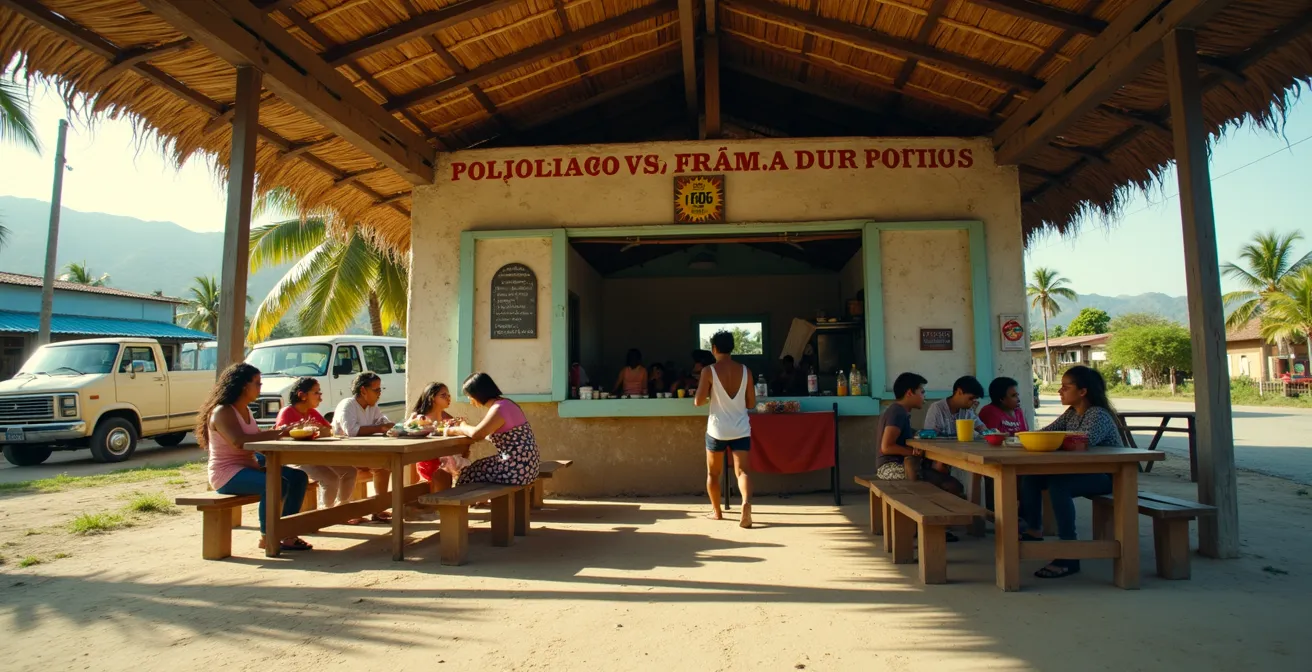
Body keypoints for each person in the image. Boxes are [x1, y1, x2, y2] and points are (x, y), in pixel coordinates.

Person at [1020, 365, 1123, 579]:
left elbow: (1080, 443)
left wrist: (1045, 441)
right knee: (1031, 477)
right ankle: (1034, 529)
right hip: (1082, 472)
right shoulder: (1071, 414)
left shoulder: (1098, 414)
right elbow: (1047, 433)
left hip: (1108, 477)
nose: (1060, 391)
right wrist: (1021, 437)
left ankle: (1069, 553)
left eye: (1066, 387)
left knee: (1059, 486)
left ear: (1083, 391)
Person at [198, 363, 311, 551]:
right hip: (227, 474)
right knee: (276, 483)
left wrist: (282, 434)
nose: (261, 387)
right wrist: (278, 433)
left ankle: (288, 533)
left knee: (298, 477)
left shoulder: (246, 410)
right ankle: (268, 536)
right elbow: (239, 441)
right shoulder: (223, 411)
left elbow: (256, 438)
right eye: (257, 383)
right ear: (244, 386)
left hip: (250, 467)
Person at [275, 377, 362, 522]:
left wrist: (318, 430)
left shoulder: (312, 412)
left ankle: (341, 510)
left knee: (350, 471)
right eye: (316, 393)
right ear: (302, 395)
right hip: (296, 459)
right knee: (330, 478)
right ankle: (325, 515)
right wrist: (306, 430)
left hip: (317, 456)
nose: (320, 397)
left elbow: (329, 430)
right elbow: (282, 435)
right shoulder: (287, 412)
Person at [694, 330, 756, 528]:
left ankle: (717, 512)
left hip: (717, 429)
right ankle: (745, 503)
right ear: (732, 348)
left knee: (713, 474)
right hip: (741, 428)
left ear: (714, 348)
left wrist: (713, 395)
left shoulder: (708, 371)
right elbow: (751, 403)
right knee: (742, 472)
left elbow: (698, 401)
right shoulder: (746, 371)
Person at [875, 372, 964, 501]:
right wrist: (913, 452)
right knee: (952, 485)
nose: (924, 397)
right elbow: (887, 447)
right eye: (922, 392)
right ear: (909, 393)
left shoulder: (899, 411)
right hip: (890, 467)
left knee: (941, 472)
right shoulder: (897, 412)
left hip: (899, 464)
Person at [446, 372, 541, 486]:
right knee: (478, 467)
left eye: (470, 395)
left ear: (478, 393)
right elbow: (490, 433)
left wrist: (459, 427)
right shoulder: (508, 404)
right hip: (529, 466)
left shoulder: (499, 409)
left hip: (516, 469)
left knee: (468, 473)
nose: (469, 400)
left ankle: (457, 503)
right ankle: (480, 501)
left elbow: (477, 434)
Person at [332, 371, 394, 523]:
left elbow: (382, 421)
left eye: (380, 389)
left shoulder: (372, 407)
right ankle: (346, 510)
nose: (379, 393)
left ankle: (378, 508)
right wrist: (380, 428)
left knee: (384, 466)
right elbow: (351, 431)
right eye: (376, 390)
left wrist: (388, 425)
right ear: (363, 391)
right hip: (341, 456)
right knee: (378, 466)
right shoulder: (347, 405)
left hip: (362, 453)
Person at [409, 382, 471, 490]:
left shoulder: (446, 417)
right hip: (428, 461)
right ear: (432, 398)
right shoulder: (420, 417)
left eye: (448, 395)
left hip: (445, 460)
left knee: (466, 469)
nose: (448, 398)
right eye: (443, 395)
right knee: (444, 473)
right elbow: (407, 428)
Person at [923, 375, 988, 438]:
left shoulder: (968, 410)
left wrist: (991, 433)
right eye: (971, 398)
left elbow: (982, 428)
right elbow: (929, 436)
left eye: (975, 399)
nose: (973, 402)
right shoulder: (937, 408)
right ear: (959, 392)